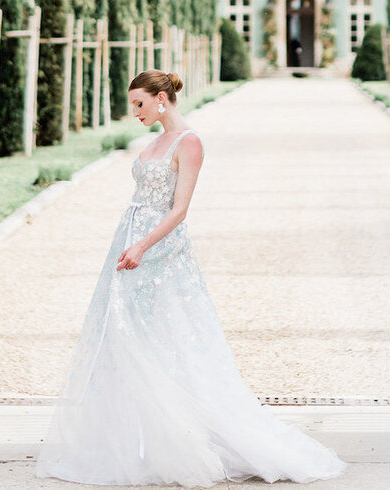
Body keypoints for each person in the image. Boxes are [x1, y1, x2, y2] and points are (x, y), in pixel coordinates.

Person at [36, 69, 346, 487]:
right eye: (133, 106)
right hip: (129, 245)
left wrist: (143, 246)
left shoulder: (190, 142)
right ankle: (134, 442)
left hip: (160, 252)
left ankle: (184, 442)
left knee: (167, 339)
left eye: (140, 104)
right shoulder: (154, 141)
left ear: (162, 98)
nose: (136, 112)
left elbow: (179, 209)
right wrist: (130, 244)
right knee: (124, 338)